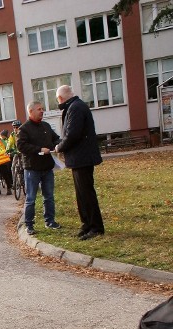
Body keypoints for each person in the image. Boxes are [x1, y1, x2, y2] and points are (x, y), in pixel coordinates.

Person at [55, 85, 105, 241]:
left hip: (82, 158)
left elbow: (72, 134)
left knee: (86, 194)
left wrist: (59, 147)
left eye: (58, 99)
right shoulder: (74, 106)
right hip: (79, 158)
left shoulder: (75, 108)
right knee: (81, 194)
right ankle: (87, 224)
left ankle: (95, 227)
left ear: (61, 98)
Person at [16, 101, 61, 235]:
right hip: (32, 168)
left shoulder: (46, 126)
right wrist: (39, 149)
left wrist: (57, 146)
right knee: (31, 198)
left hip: (47, 168)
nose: (42, 111)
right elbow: (21, 146)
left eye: (43, 109)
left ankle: (50, 221)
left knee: (49, 196)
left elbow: (56, 139)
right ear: (31, 111)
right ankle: (29, 225)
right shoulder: (24, 129)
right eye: (39, 109)